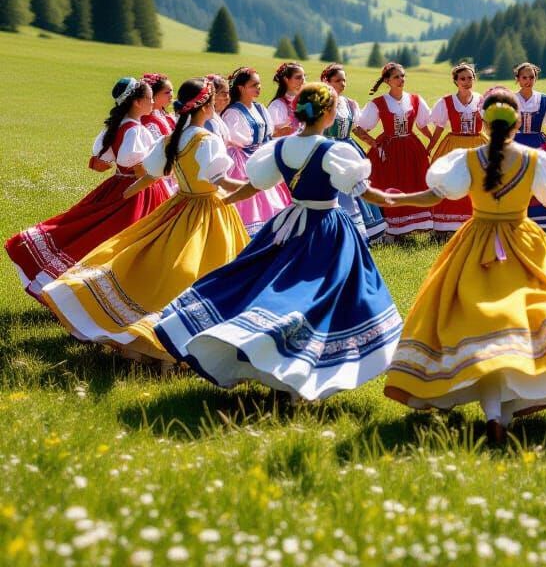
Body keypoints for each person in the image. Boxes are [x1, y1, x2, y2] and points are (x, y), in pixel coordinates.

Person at [382, 87, 546, 444]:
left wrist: (394, 197)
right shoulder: (535, 160)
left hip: (475, 243)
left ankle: (496, 410)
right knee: (526, 320)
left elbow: (433, 195)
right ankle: (508, 407)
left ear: (484, 122)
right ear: (517, 122)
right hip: (523, 241)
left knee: (477, 322)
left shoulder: (465, 159)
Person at [155, 83, 403, 401]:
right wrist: (398, 198)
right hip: (328, 229)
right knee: (325, 295)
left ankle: (277, 361)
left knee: (265, 281)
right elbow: (361, 190)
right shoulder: (333, 151)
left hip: (286, 226)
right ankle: (300, 369)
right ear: (328, 115)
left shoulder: (281, 147)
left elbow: (254, 184)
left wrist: (229, 199)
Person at [41, 78, 250, 365]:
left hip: (179, 206)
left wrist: (130, 191)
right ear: (205, 107)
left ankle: (143, 330)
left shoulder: (172, 139)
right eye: (213, 103)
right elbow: (219, 180)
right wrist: (252, 185)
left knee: (160, 261)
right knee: (206, 268)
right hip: (208, 211)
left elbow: (152, 173)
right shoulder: (207, 140)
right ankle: (186, 337)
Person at [6, 77, 171, 300]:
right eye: (150, 99)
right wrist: (162, 160)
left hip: (117, 185)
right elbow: (140, 170)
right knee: (124, 242)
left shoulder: (119, 126)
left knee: (96, 232)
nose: (153, 104)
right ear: (137, 102)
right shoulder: (135, 131)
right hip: (138, 193)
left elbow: (101, 164)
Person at [354, 62, 434, 239]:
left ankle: (413, 226)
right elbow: (359, 128)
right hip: (389, 149)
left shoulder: (415, 99)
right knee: (391, 185)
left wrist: (432, 141)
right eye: (396, 76)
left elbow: (422, 124)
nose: (401, 79)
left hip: (411, 147)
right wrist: (374, 144)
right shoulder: (378, 103)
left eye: (403, 76)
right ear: (387, 81)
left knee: (415, 183)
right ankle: (393, 230)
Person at [221, 67, 291, 237]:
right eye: (253, 85)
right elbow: (235, 139)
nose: (258, 88)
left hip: (260, 157)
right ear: (241, 88)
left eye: (259, 84)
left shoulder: (259, 108)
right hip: (242, 161)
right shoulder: (233, 112)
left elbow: (268, 134)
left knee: (269, 195)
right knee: (251, 199)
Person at [320, 63, 386, 243]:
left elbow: (356, 129)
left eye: (344, 80)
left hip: (348, 147)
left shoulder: (349, 103)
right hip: (329, 149)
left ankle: (367, 228)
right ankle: (337, 230)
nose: (342, 84)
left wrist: (373, 143)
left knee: (357, 185)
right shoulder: (321, 103)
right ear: (326, 81)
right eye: (338, 80)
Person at [426, 63, 485, 236]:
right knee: (451, 181)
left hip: (477, 143)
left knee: (478, 182)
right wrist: (429, 148)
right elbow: (438, 128)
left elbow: (489, 125)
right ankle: (446, 227)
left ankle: (476, 222)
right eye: (462, 79)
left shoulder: (482, 100)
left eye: (470, 78)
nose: (467, 82)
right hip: (454, 144)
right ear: (456, 81)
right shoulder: (446, 102)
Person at [512, 62, 546, 232]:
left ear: (536, 78)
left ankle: (544, 220)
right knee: (516, 180)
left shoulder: (545, 100)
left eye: (531, 77)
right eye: (524, 77)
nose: (528, 81)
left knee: (543, 180)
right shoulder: (510, 99)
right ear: (518, 79)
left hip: (538, 143)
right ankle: (517, 218)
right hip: (516, 143)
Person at [267, 62, 306, 137]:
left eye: (304, 77)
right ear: (286, 79)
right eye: (298, 77)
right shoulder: (277, 106)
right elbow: (272, 135)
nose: (303, 81)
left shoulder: (305, 102)